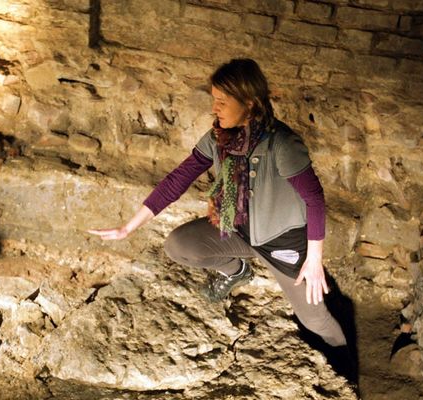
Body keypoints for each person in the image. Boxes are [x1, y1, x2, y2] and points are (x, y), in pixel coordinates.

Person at [88, 59, 353, 377]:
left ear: (250, 103)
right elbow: (178, 179)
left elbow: (314, 198)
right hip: (238, 230)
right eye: (213, 99)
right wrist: (128, 227)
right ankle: (237, 269)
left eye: (222, 101)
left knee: (313, 318)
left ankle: (344, 360)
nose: (215, 108)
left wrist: (314, 258)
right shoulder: (217, 138)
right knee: (179, 245)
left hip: (282, 241)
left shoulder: (281, 143)